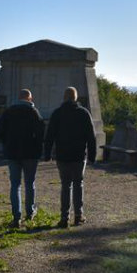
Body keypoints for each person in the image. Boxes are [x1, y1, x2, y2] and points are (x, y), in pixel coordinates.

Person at [43, 87, 97, 228]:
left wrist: (47, 154)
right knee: (78, 184)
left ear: (64, 97)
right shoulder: (84, 113)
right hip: (79, 155)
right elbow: (91, 137)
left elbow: (49, 136)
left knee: (65, 185)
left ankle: (64, 217)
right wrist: (92, 155)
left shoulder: (57, 113)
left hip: (62, 155)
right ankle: (78, 216)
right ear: (75, 98)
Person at [0, 89, 45, 228]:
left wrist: (8, 142)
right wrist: (37, 147)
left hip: (12, 153)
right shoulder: (34, 112)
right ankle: (30, 212)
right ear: (29, 98)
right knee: (30, 183)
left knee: (15, 185)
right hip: (30, 154)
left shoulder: (9, 112)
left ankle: (16, 217)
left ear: (19, 98)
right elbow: (41, 134)